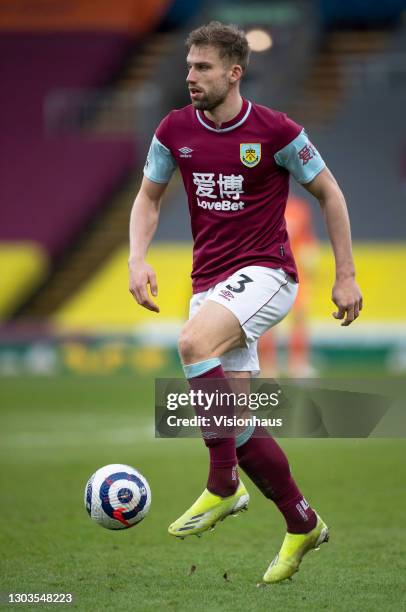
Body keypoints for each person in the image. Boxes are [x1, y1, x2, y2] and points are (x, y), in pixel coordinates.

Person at [128, 21, 362, 584]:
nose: (190, 76)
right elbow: (148, 197)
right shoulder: (174, 129)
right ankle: (301, 521)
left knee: (191, 343)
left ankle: (222, 485)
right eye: (188, 66)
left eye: (202, 67)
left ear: (234, 72)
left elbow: (330, 192)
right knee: (233, 420)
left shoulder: (277, 132)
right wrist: (138, 259)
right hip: (208, 282)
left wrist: (345, 275)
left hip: (267, 274)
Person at [259, 195, 320, 377]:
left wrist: (311, 254)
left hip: (295, 271)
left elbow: (306, 238)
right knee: (268, 320)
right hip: (269, 271)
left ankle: (298, 364)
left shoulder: (299, 208)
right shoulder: (262, 206)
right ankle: (268, 366)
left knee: (300, 316)